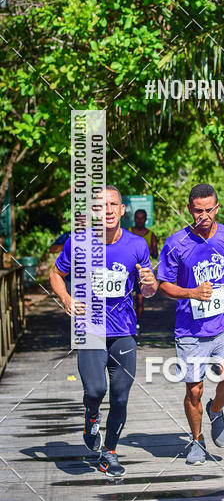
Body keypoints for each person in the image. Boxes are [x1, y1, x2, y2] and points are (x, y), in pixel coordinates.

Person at [49, 186, 158, 478]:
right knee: (96, 390)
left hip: (123, 330)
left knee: (121, 397)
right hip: (90, 329)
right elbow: (55, 274)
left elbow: (148, 289)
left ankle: (109, 452)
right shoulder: (78, 243)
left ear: (122, 210)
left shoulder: (137, 245)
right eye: (100, 206)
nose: (107, 210)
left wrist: (149, 283)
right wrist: (67, 299)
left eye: (113, 204)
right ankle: (91, 414)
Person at [158, 184, 224, 465]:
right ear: (189, 210)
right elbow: (164, 286)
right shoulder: (176, 244)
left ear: (217, 208)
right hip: (190, 330)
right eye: (198, 211)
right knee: (194, 389)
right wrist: (191, 292)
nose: (203, 216)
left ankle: (216, 410)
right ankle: (197, 441)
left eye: (209, 210)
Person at [129, 209, 158, 333]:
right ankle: (126, 322)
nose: (140, 220)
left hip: (142, 273)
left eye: (142, 218)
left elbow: (155, 254)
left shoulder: (150, 235)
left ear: (145, 219)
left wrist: (146, 251)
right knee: (125, 299)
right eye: (137, 217)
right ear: (134, 219)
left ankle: (136, 323)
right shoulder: (128, 232)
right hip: (128, 272)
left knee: (140, 301)